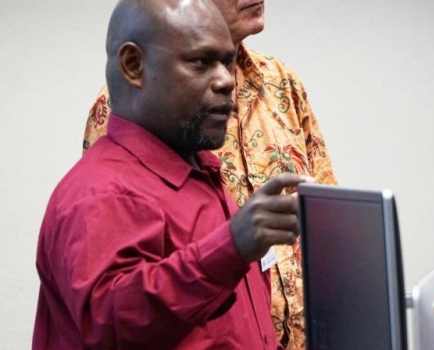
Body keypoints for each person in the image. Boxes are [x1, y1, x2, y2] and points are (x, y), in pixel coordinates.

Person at [33, 0, 312, 348]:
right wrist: (232, 247)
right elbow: (111, 323)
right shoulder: (103, 192)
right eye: (201, 62)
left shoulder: (201, 173)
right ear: (133, 66)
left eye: (226, 62)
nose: (226, 80)